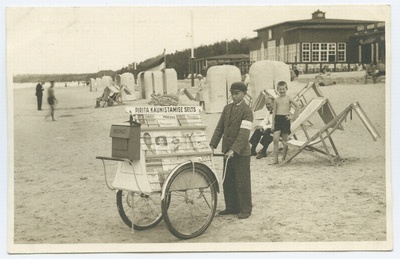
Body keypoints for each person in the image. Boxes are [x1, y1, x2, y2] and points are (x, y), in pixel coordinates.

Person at [209, 82, 253, 219]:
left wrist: (234, 150)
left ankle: (245, 209)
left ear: (244, 94)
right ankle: (231, 207)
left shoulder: (247, 111)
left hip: (241, 152)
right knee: (228, 180)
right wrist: (212, 144)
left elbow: (244, 133)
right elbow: (219, 128)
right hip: (226, 151)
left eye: (237, 93)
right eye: (232, 93)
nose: (233, 96)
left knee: (242, 181)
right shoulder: (227, 108)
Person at [271, 81, 300, 164]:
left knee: (285, 140)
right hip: (278, 119)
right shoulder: (276, 100)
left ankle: (283, 158)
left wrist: (293, 116)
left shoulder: (289, 98)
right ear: (277, 90)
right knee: (275, 140)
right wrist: (273, 124)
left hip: (285, 119)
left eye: (283, 89)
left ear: (286, 89)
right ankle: (275, 159)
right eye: (280, 89)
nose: (282, 91)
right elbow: (274, 112)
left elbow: (298, 106)